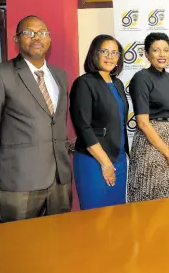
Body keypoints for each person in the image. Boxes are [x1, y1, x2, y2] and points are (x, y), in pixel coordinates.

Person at [0, 15, 72, 222]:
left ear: (49, 39)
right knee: (18, 248)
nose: (37, 37)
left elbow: (56, 123)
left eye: (42, 33)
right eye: (28, 32)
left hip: (59, 180)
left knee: (60, 245)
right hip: (20, 180)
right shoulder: (0, 74)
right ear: (16, 39)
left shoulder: (60, 76)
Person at [69, 34, 129, 210]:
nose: (110, 56)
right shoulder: (84, 83)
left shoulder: (117, 83)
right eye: (105, 51)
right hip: (94, 160)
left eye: (115, 53)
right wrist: (105, 163)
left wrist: (114, 163)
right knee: (96, 217)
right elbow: (83, 127)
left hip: (119, 159)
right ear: (94, 54)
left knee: (117, 215)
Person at [127, 32, 169, 202]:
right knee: (151, 198)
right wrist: (168, 154)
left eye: (166, 50)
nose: (162, 54)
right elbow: (143, 123)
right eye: (156, 50)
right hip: (151, 145)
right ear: (147, 54)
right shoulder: (141, 78)